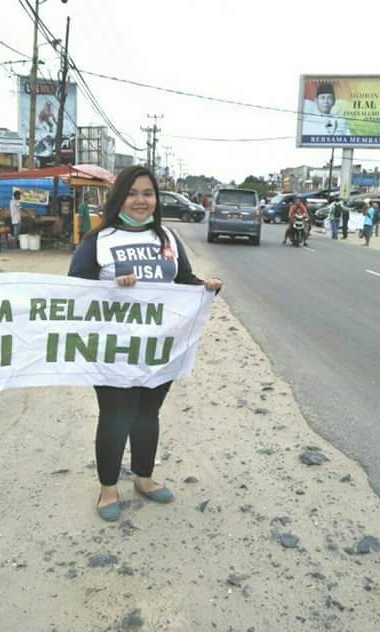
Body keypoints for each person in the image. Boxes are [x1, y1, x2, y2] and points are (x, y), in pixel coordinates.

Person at [68, 165, 223, 522]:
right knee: (116, 415)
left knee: (147, 413)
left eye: (148, 193)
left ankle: (144, 477)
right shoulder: (99, 240)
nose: (141, 201)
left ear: (157, 198)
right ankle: (108, 488)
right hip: (113, 348)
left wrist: (205, 285)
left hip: (158, 348)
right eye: (133, 193)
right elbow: (74, 289)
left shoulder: (167, 238)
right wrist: (110, 286)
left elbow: (182, 279)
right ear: (119, 197)